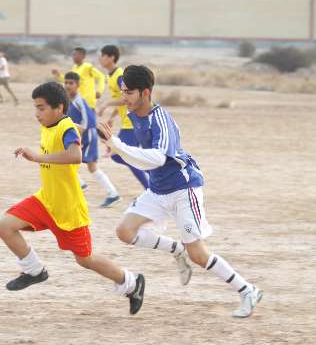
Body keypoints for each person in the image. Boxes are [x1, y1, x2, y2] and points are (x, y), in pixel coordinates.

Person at [97, 65, 263, 318]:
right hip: (158, 189)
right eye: (123, 92)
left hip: (183, 189)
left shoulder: (159, 119)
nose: (124, 98)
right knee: (124, 231)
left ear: (145, 92)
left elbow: (158, 159)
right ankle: (177, 250)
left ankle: (247, 290)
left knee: (199, 254)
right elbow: (143, 160)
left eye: (129, 93)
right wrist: (114, 144)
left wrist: (116, 144)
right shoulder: (135, 117)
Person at [0, 81, 146, 315]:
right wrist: (92, 127)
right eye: (35, 108)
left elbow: (76, 156)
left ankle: (131, 282)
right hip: (46, 200)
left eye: (41, 108)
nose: (37, 114)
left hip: (68, 208)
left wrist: (37, 157)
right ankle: (34, 270)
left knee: (85, 259)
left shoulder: (65, 128)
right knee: (4, 226)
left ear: (59, 107)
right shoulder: (54, 123)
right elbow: (74, 126)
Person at [63, 72, 120, 208]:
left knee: (92, 167)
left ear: (78, 85)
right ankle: (81, 185)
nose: (68, 86)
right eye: (66, 83)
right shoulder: (67, 101)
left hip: (88, 136)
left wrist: (67, 123)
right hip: (79, 137)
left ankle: (113, 194)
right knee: (66, 162)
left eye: (71, 83)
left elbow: (88, 125)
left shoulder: (80, 101)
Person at [96, 45, 149, 190]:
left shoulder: (119, 76)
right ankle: (152, 182)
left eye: (103, 55)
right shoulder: (111, 75)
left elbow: (128, 98)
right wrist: (113, 117)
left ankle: (151, 187)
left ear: (111, 57)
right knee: (122, 156)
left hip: (132, 123)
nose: (100, 58)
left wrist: (106, 104)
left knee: (121, 155)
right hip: (127, 123)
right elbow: (120, 99)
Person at [51, 47, 105, 111]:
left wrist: (99, 91)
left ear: (83, 56)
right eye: (73, 55)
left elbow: (101, 76)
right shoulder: (74, 68)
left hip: (88, 103)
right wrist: (58, 75)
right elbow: (69, 81)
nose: (73, 57)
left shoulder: (87, 67)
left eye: (75, 54)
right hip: (77, 102)